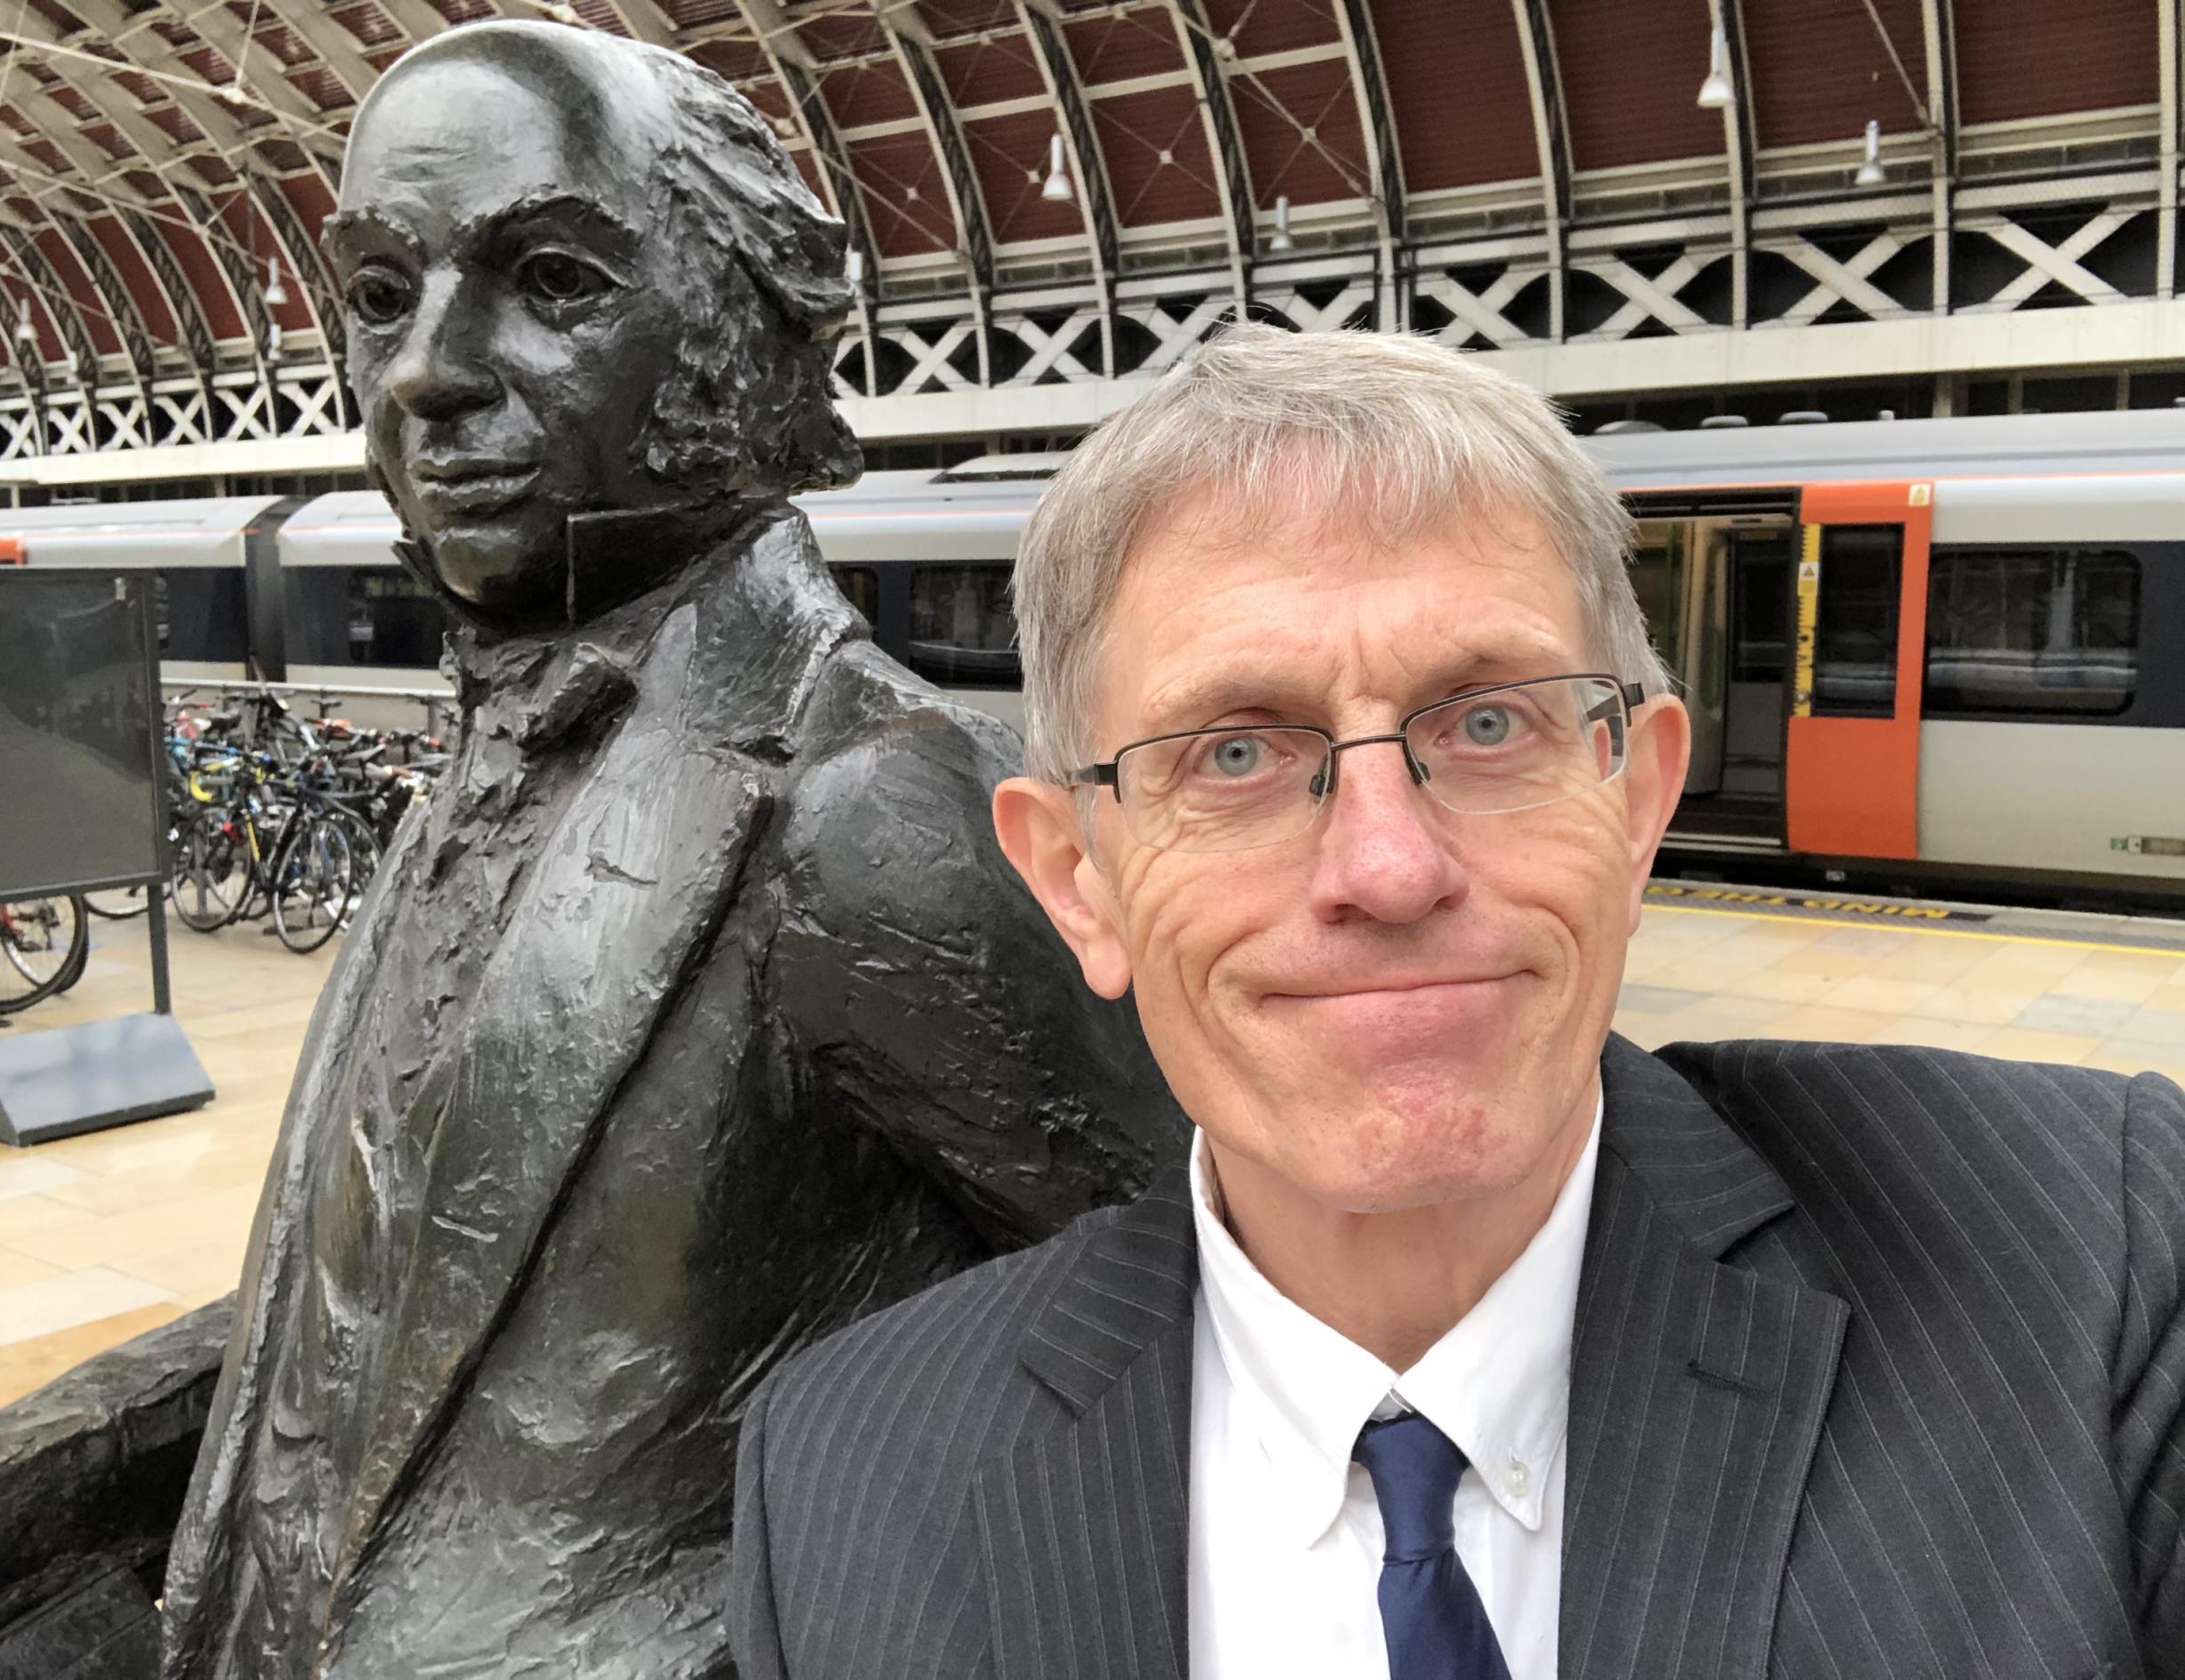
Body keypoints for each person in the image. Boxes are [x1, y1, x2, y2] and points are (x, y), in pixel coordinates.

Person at [728, 324, 2185, 1679]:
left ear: (1638, 799)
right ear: (1077, 882)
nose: (1388, 865)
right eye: (1234, 754)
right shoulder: (846, 1476)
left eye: (1491, 722)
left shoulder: (2090, 1255)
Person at [159, 23, 1178, 1679]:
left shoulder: (870, 813)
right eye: (376, 294)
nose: (422, 367)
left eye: (550, 280)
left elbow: (1202, 1354)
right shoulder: (459, 787)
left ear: (736, 339)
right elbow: (360, 1340)